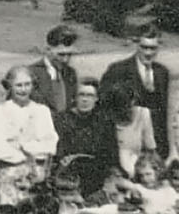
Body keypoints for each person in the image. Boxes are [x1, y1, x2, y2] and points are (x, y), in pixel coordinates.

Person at [0, 65, 59, 202]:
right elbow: (0, 150)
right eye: (18, 85)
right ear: (9, 87)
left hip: (36, 177)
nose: (24, 89)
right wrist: (32, 148)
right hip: (7, 176)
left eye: (27, 84)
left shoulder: (42, 111)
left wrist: (21, 146)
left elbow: (50, 145)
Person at [100, 28, 171, 160]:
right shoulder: (118, 70)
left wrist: (164, 150)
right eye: (144, 47)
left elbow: (162, 115)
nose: (148, 53)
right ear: (136, 45)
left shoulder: (162, 72)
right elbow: (104, 109)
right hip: (127, 145)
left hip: (154, 147)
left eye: (153, 48)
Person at [54, 77, 120, 197]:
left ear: (96, 98)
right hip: (69, 175)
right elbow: (60, 152)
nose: (85, 99)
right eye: (81, 95)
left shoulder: (104, 121)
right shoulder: (62, 119)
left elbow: (111, 154)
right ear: (74, 98)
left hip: (97, 174)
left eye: (89, 95)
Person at [104, 79, 157, 177]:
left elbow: (150, 149)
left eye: (127, 105)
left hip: (137, 167)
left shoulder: (143, 114)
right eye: (119, 107)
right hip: (114, 170)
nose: (124, 110)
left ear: (133, 101)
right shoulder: (107, 119)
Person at [30, 25, 80, 113]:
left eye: (69, 54)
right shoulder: (30, 74)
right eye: (61, 55)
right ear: (47, 50)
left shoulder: (71, 73)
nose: (66, 60)